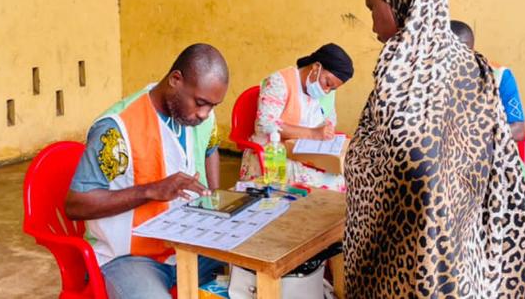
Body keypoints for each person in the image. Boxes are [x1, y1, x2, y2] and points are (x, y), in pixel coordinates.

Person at [343, 0, 525, 297]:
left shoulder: (403, 71)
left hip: (407, 263)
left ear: (402, 0)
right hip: (461, 260)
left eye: (372, 8)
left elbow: (412, 175)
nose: (372, 24)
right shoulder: (471, 66)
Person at [64, 43, 229, 298]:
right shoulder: (117, 130)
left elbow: (211, 149)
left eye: (213, 106)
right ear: (176, 80)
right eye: (200, 103)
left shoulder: (201, 118)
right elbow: (76, 205)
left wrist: (215, 200)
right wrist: (152, 190)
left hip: (188, 247)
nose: (205, 114)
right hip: (129, 259)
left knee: (252, 277)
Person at [239, 43, 354, 190]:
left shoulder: (324, 94)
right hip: (274, 153)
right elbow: (265, 124)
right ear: (316, 67)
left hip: (306, 153)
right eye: (327, 83)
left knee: (349, 173)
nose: (326, 91)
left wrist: (327, 131)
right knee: (333, 182)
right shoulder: (279, 81)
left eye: (332, 89)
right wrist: (313, 134)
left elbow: (329, 121)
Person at [450, 20, 525, 142]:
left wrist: (471, 139)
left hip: (488, 154)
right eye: (450, 50)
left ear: (472, 49)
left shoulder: (499, 76)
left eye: (463, 50)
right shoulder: (429, 78)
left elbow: (518, 131)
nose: (457, 56)